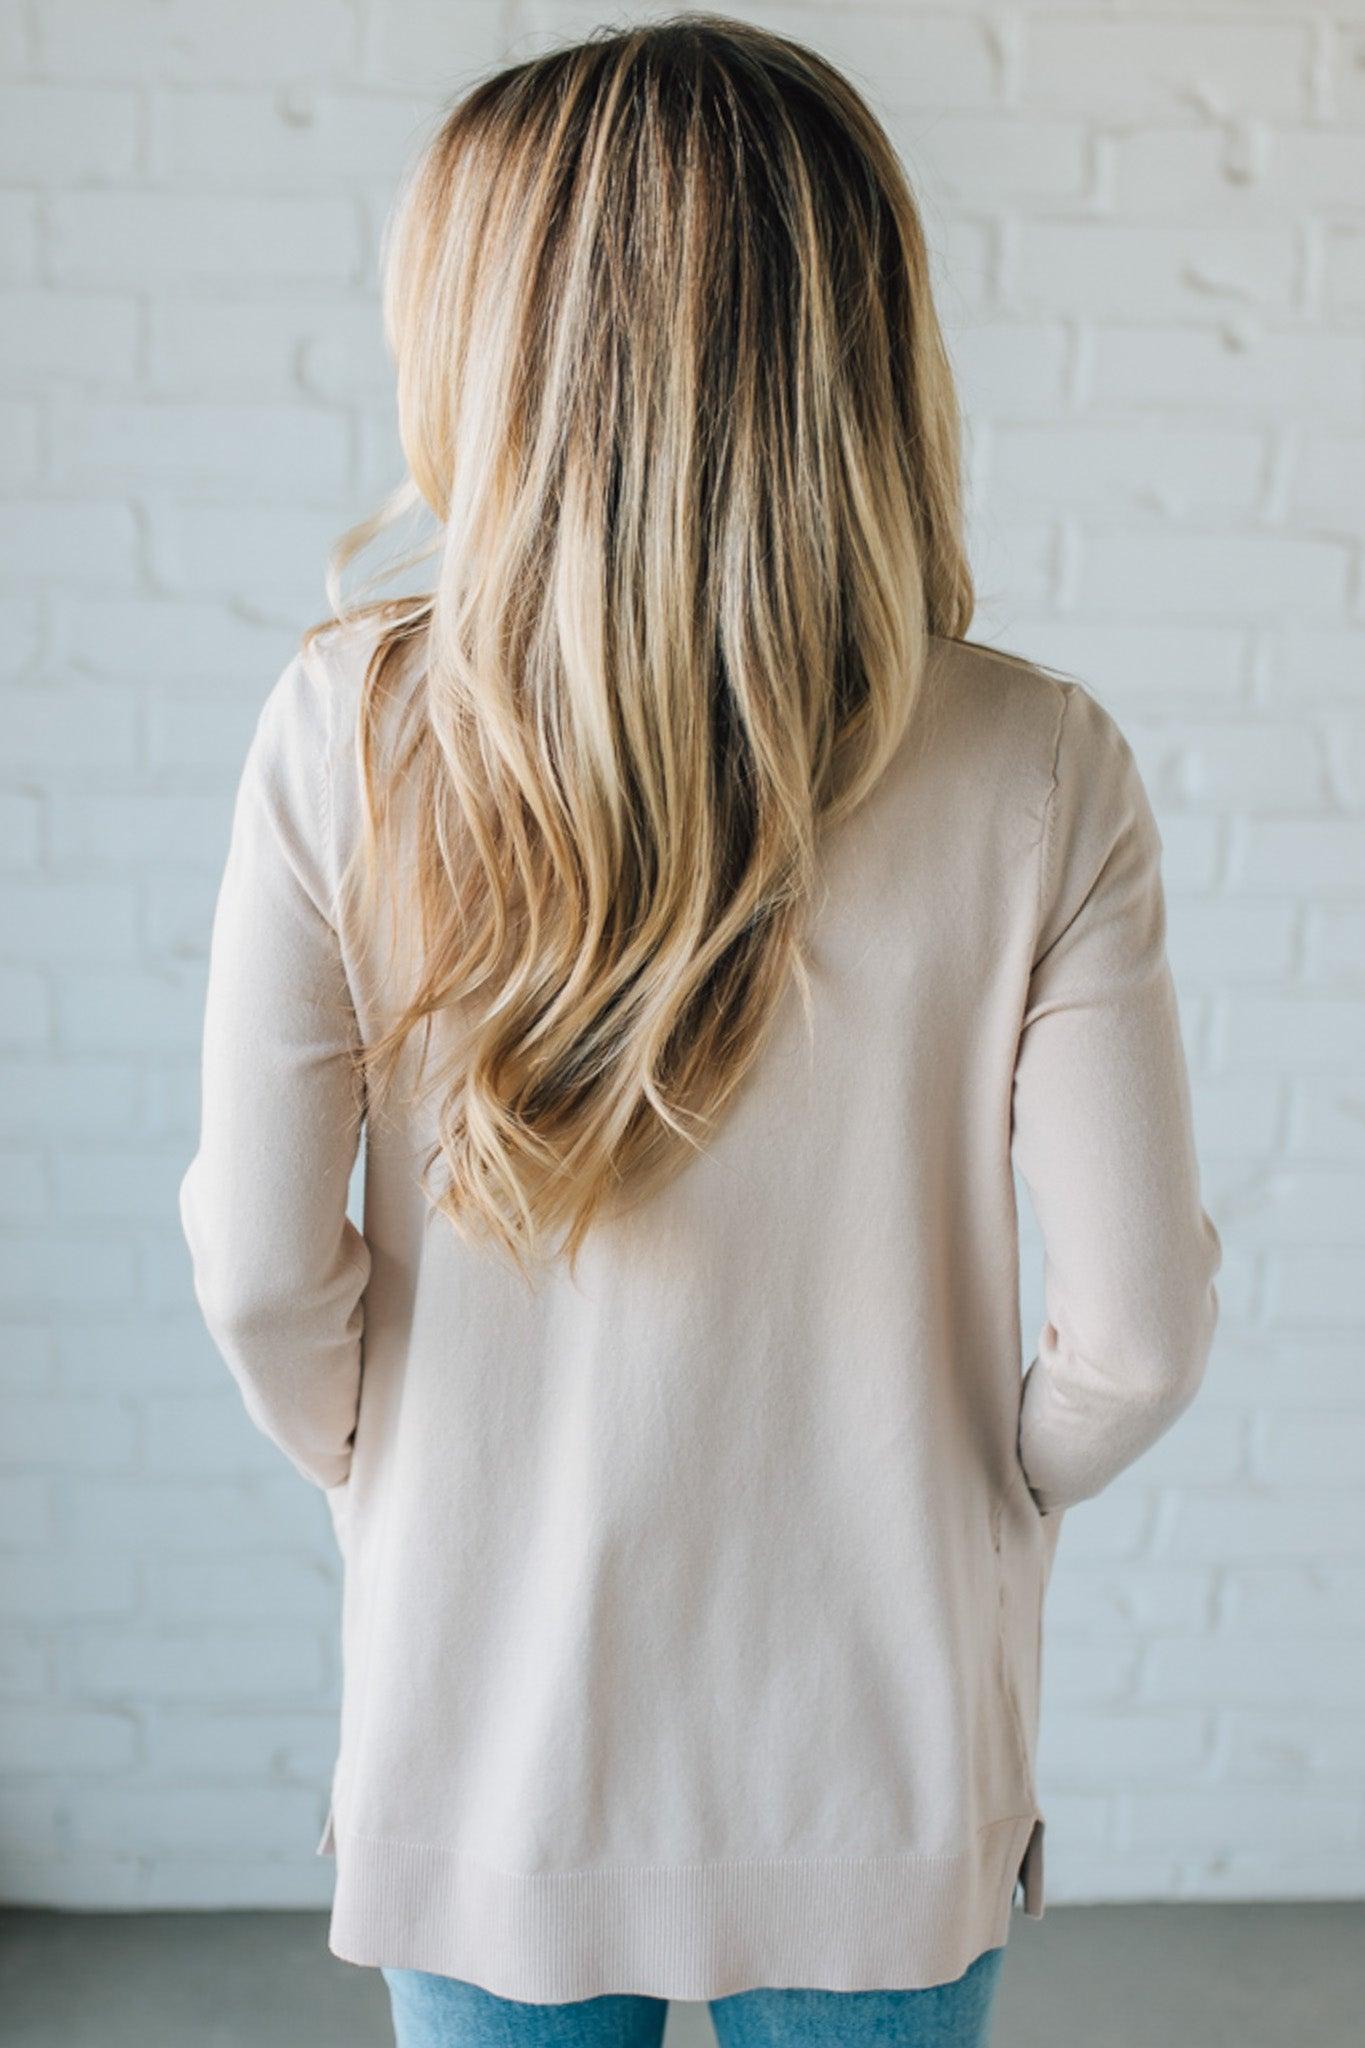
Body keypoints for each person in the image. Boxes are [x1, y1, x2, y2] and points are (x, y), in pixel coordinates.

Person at [178, 16, 1222, 2047]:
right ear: (862, 339)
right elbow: (1139, 1339)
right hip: (878, 1755)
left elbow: (260, 1277)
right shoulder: (1038, 760)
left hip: (487, 1735)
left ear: (486, 342)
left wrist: (405, 1469)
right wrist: (970, 1484)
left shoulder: (345, 734)